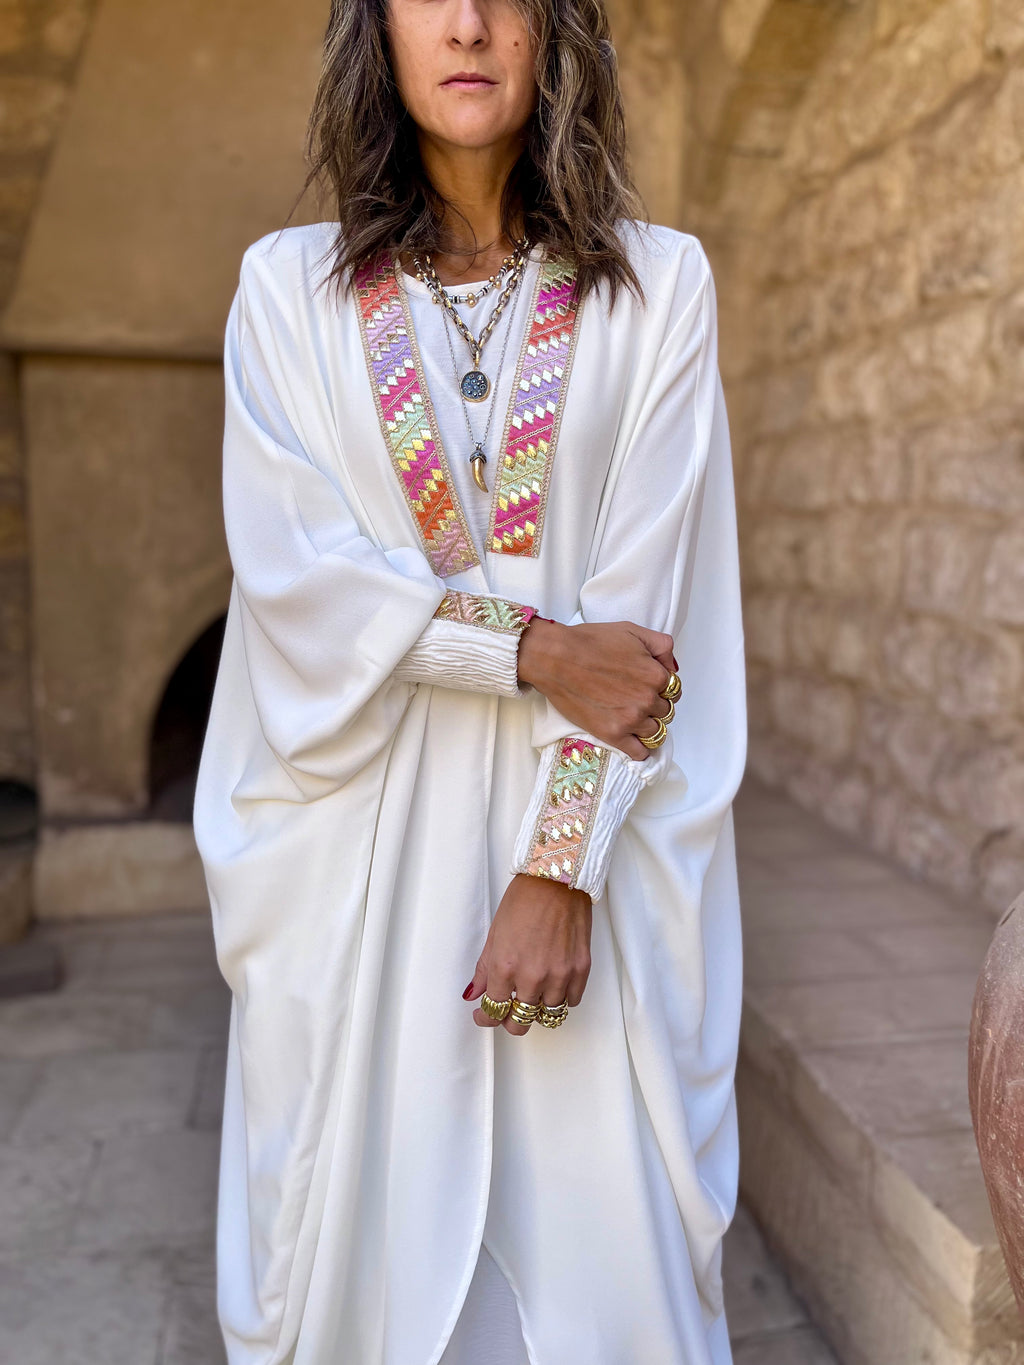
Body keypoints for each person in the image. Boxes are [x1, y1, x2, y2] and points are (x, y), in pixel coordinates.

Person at [192, 0, 747, 1361]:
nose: (471, 22)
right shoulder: (286, 293)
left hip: (589, 854)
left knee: (607, 1281)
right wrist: (533, 647)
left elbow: (651, 609)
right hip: (366, 877)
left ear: (560, 31)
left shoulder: (660, 288)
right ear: (373, 31)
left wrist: (559, 871)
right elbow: (297, 579)